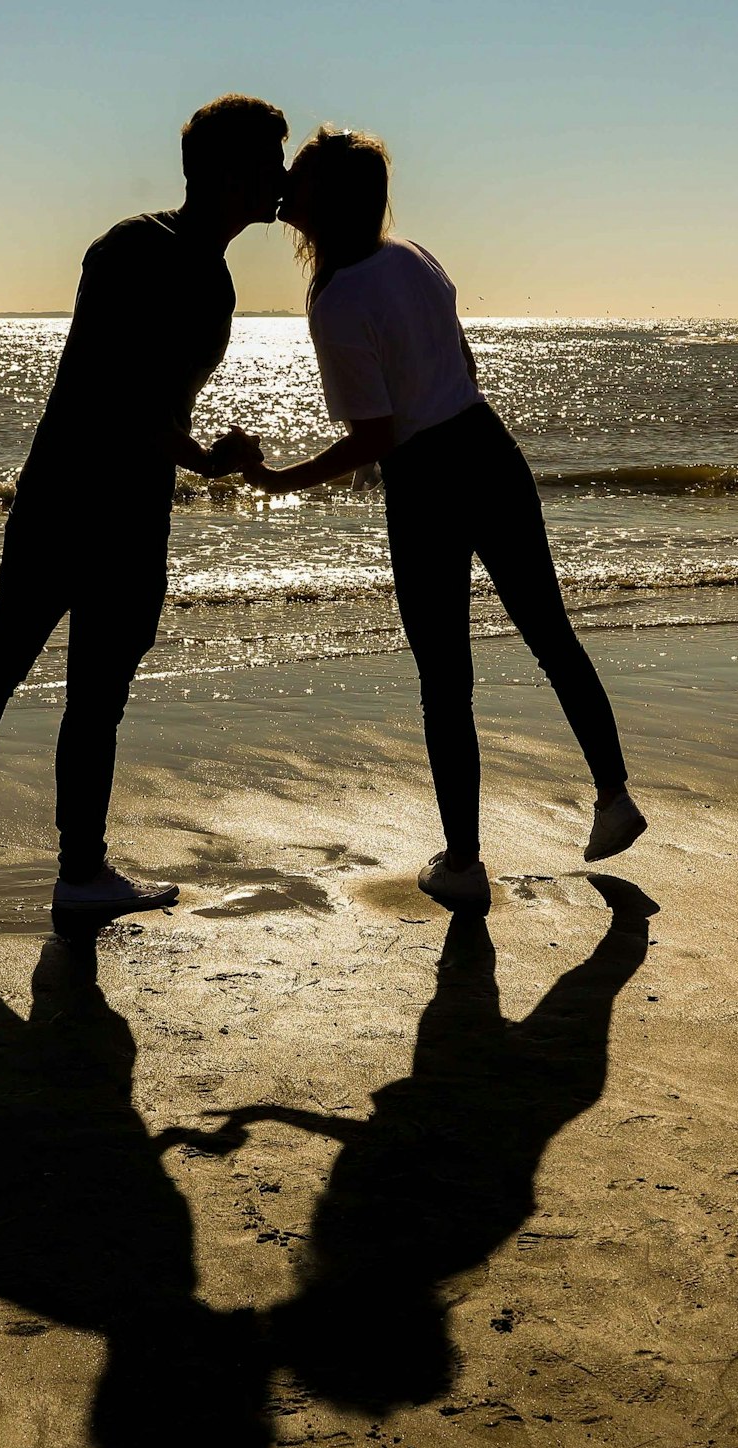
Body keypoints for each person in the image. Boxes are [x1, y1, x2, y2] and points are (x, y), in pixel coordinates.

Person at [0, 96, 288, 917]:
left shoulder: (147, 251)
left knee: (6, 657)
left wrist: (204, 456)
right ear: (228, 175)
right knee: (90, 694)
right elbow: (131, 405)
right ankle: (78, 873)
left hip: (63, 487)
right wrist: (205, 458)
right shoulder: (166, 262)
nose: (281, 179)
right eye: (269, 163)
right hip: (116, 506)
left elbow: (135, 402)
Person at [245, 126, 646, 911]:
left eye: (298, 177)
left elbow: (376, 435)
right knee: (549, 633)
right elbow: (464, 366)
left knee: (445, 678)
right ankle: (614, 796)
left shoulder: (336, 298)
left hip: (427, 478)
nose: (284, 186)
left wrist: (280, 480)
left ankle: (462, 863)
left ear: (324, 200)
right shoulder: (414, 256)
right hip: (489, 448)